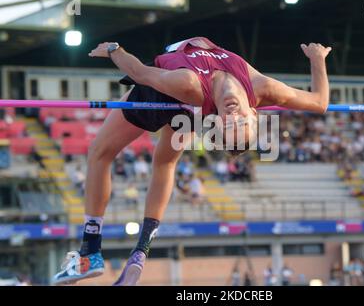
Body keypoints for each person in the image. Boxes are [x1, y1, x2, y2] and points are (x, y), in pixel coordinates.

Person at [53, 36, 331, 285]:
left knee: (99, 153)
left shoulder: (188, 84)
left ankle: (90, 250)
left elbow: (138, 71)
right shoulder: (264, 88)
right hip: (186, 107)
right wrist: (317, 59)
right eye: (240, 122)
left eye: (228, 124)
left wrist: (114, 49)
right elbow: (319, 102)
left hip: (165, 91)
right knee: (165, 163)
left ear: (216, 122)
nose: (233, 116)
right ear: (255, 114)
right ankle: (141, 250)